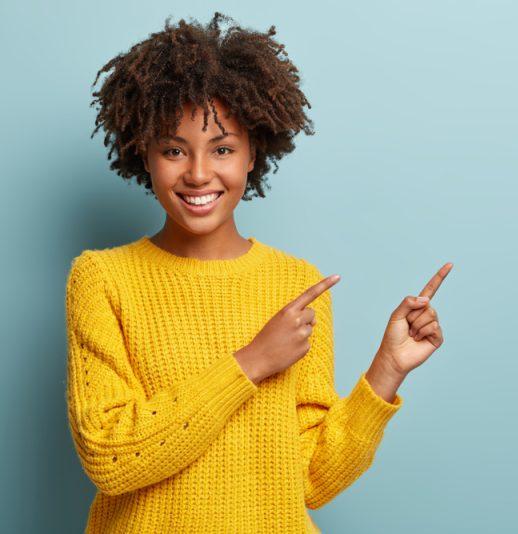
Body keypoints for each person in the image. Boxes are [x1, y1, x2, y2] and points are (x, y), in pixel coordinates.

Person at [64, 12, 452, 534]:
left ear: (253, 153)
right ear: (145, 155)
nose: (199, 173)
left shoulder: (296, 285)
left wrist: (387, 369)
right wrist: (250, 363)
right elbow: (111, 458)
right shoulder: (102, 279)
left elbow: (313, 478)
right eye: (174, 150)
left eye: (222, 149)